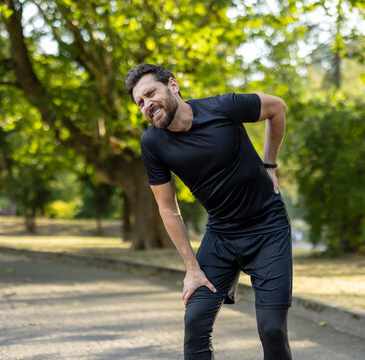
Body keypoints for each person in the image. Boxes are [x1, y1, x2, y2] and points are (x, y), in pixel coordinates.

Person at [125, 63, 292, 360]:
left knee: (272, 329)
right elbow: (168, 208)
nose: (147, 104)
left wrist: (269, 164)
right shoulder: (152, 142)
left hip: (268, 228)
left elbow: (277, 108)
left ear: (173, 85)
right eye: (140, 102)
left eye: (150, 93)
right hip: (221, 236)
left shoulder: (223, 107)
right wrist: (192, 267)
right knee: (195, 320)